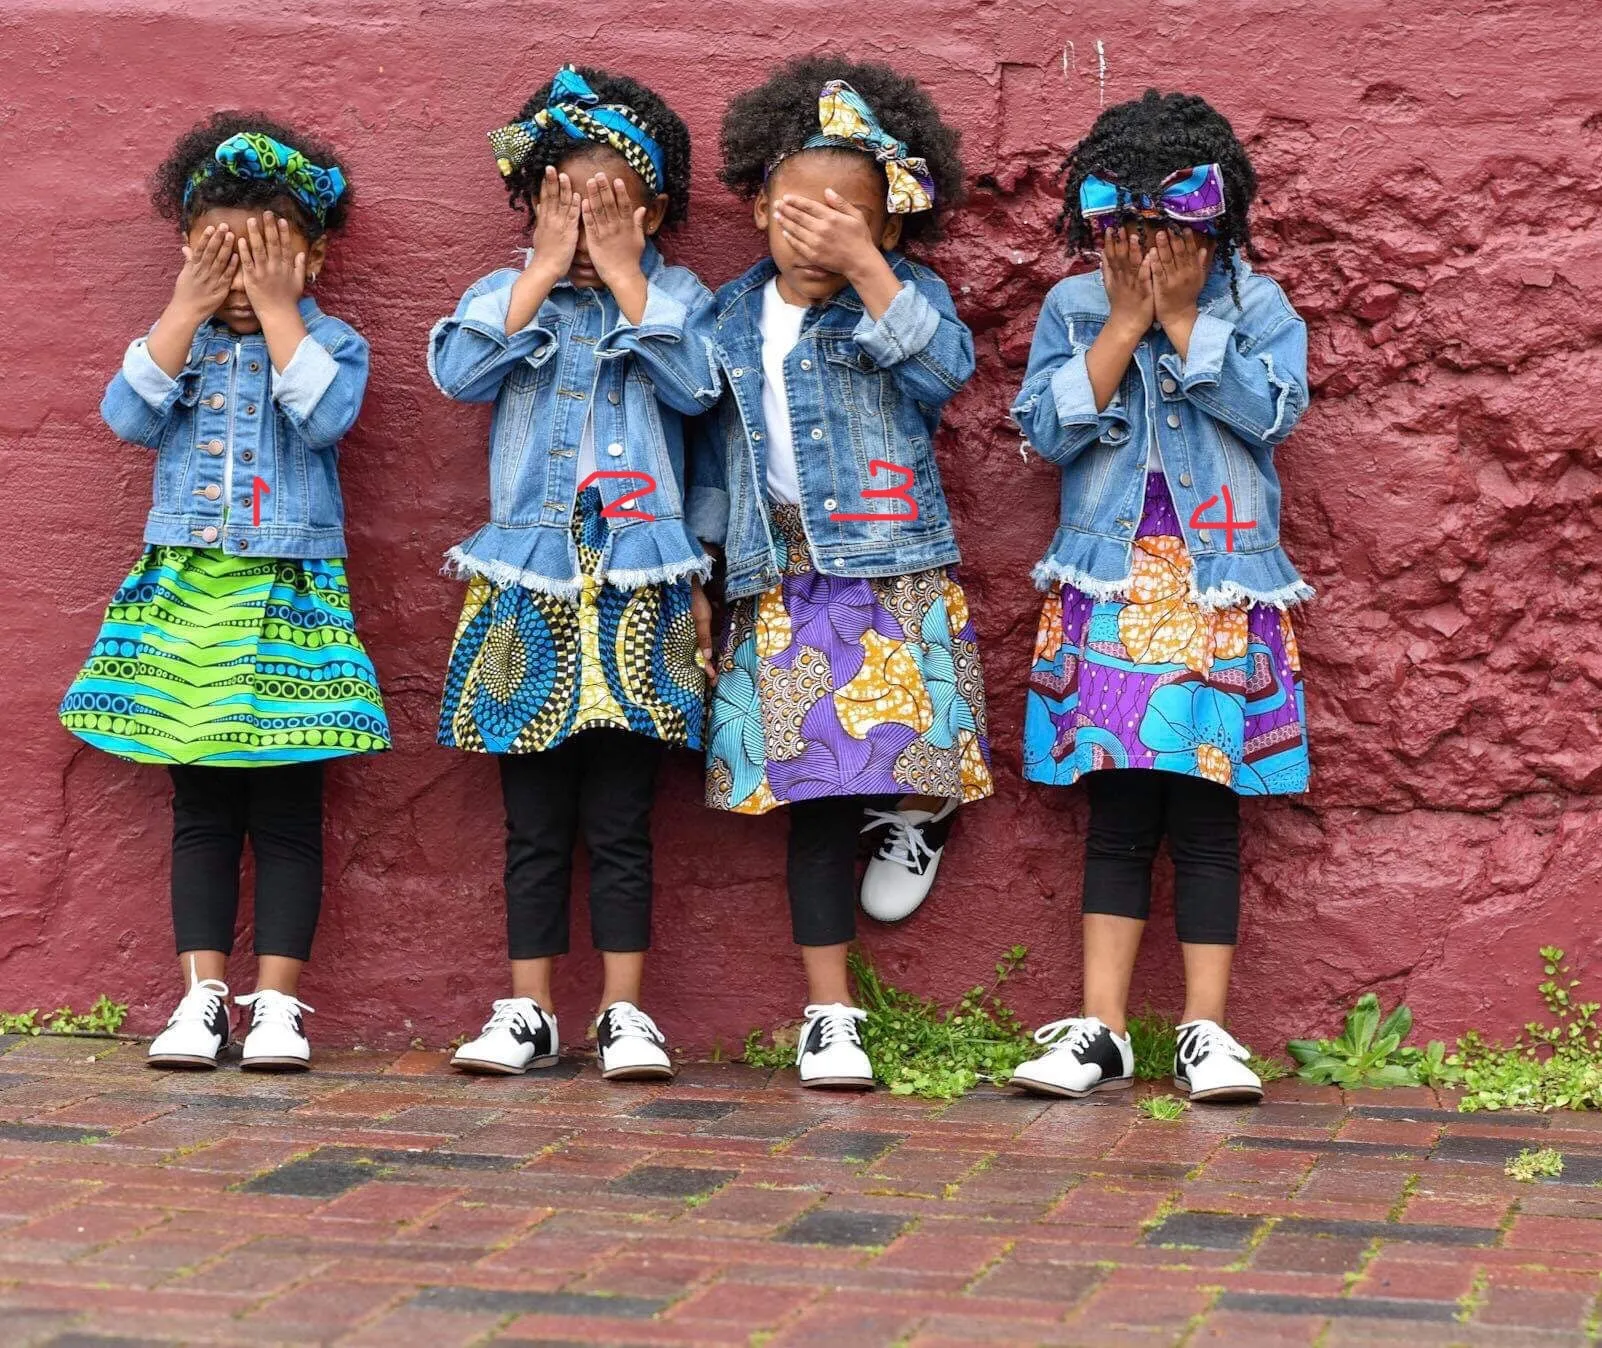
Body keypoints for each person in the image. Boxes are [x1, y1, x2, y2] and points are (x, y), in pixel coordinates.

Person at [61, 113, 388, 1071]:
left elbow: (326, 416)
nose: (242, 283)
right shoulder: (183, 342)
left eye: (266, 261)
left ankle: (278, 1006)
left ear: (313, 258)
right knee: (200, 810)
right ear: (189, 254)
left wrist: (284, 315)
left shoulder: (332, 343)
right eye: (222, 259)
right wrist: (182, 307)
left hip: (289, 602)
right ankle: (202, 997)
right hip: (187, 599)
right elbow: (126, 413)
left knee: (287, 812)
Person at [691, 56, 992, 1090]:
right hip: (779, 579)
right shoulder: (725, 317)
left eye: (849, 217)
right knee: (813, 800)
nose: (817, 229)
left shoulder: (905, 295)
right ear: (758, 204)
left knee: (918, 751)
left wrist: (873, 273)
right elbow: (709, 453)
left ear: (892, 226)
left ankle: (922, 817)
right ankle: (831, 1012)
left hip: (893, 567)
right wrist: (703, 565)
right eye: (798, 208)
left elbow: (946, 372)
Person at [1008, 90, 1312, 1104]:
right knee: (1121, 811)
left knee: (1209, 812)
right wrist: (1126, 321)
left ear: (1211, 223)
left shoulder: (1256, 307)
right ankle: (1101, 1028)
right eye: (1120, 227)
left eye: (1163, 228)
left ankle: (1206, 1029)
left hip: (1220, 589)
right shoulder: (1073, 307)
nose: (1140, 246)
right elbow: (1046, 432)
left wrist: (1184, 324)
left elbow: (1273, 412)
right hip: (1109, 584)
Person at [429, 66, 718, 1082]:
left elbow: (695, 386)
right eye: (568, 203)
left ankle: (625, 1012)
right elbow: (460, 373)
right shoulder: (505, 295)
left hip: (642, 579)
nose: (589, 227)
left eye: (612, 207)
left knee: (623, 816)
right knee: (535, 817)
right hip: (530, 579)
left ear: (655, 211)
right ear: (535, 203)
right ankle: (528, 1005)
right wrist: (545, 270)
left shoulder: (677, 297)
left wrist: (629, 273)